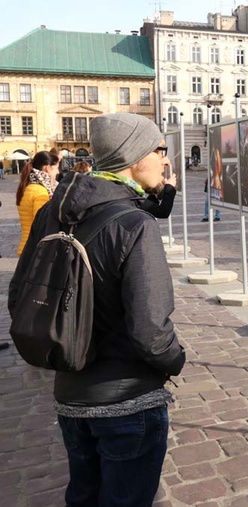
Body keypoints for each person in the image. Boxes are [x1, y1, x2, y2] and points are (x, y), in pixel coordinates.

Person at [9, 113, 185, 507]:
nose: (166, 160)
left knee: (84, 496)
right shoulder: (134, 224)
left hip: (69, 394)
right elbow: (151, 330)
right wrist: (176, 360)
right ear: (135, 157)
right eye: (160, 150)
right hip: (128, 398)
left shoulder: (52, 210)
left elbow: (18, 295)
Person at [15, 151, 60, 255]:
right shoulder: (40, 191)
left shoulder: (29, 187)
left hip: (28, 246)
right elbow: (43, 223)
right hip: (36, 249)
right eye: (57, 168)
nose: (58, 172)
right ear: (48, 168)